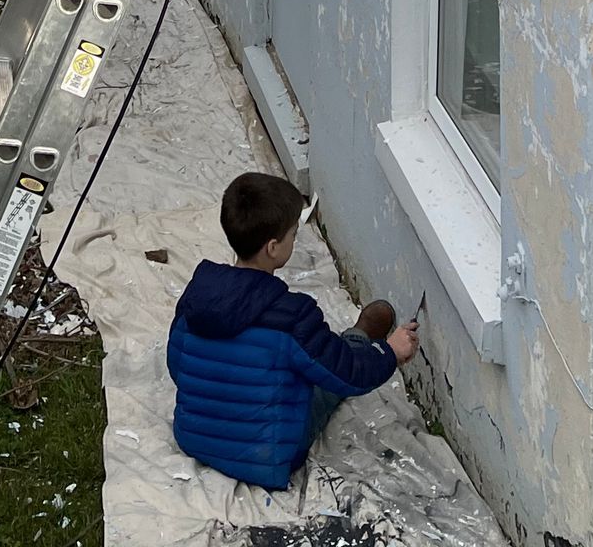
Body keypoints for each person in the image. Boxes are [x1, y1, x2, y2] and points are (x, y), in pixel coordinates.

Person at [167, 170, 418, 489]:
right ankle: (360, 338)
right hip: (267, 457)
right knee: (325, 378)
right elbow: (349, 374)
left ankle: (354, 339)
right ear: (273, 247)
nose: (294, 240)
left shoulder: (197, 295)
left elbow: (176, 364)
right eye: (293, 235)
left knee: (299, 360)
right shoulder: (293, 316)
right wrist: (390, 352)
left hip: (194, 438)